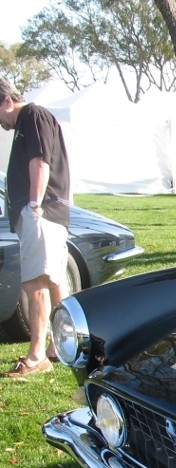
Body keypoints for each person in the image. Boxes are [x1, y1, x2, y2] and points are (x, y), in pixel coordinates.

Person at [0, 77, 71, 378]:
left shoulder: (32, 115)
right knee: (54, 281)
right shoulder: (27, 122)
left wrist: (33, 206)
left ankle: (37, 354)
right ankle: (62, 346)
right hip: (46, 213)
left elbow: (40, 161)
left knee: (36, 282)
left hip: (41, 213)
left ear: (6, 101)